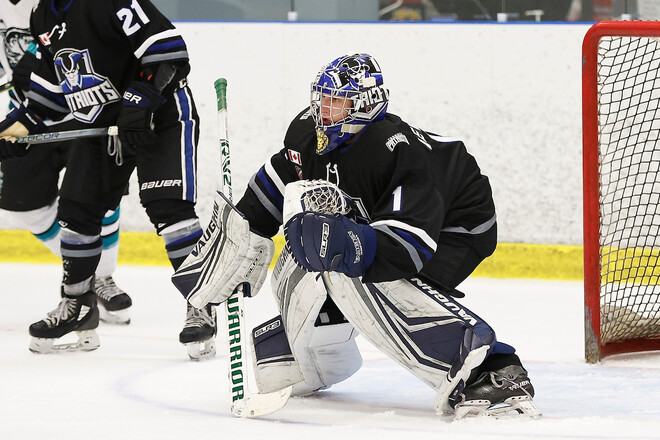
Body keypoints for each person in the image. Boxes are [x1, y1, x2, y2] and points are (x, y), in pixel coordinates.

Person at [177, 53, 541, 418]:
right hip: (383, 221)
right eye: (320, 100)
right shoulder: (308, 134)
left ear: (365, 106)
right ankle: (319, 353)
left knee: (359, 268)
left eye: (336, 103)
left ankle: (491, 369)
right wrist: (238, 240)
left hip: (456, 226)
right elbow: (271, 188)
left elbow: (409, 246)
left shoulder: (395, 152)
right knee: (303, 249)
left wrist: (350, 244)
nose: (323, 111)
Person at [0, 0, 216, 359]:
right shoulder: (43, 16)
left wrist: (141, 99)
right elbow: (51, 91)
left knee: (170, 208)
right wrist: (20, 128)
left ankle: (201, 303)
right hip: (100, 124)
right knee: (78, 212)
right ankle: (78, 306)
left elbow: (166, 49)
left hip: (160, 115)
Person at [0, 0, 132, 325]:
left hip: (82, 111)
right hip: (26, 118)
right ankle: (85, 272)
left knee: (97, 194)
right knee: (24, 207)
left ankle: (100, 278)